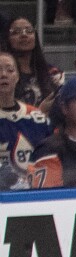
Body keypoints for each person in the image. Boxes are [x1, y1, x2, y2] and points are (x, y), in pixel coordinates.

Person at [0, 51, 51, 190]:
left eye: (10, 70)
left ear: (17, 76)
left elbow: (50, 159)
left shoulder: (37, 117)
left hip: (34, 195)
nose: (3, 74)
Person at [7, 18, 61, 114]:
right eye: (16, 32)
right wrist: (40, 112)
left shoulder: (53, 73)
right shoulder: (3, 75)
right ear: (7, 39)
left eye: (29, 31)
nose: (24, 35)